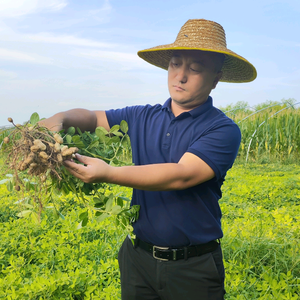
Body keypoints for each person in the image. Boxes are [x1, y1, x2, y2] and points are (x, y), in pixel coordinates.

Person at [41, 19, 257, 300]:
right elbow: (95, 118)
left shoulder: (222, 129)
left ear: (215, 79)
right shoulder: (142, 116)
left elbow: (182, 174)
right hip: (137, 258)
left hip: (192, 266)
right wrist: (61, 119)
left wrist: (109, 172)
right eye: (175, 64)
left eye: (195, 68)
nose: (180, 75)